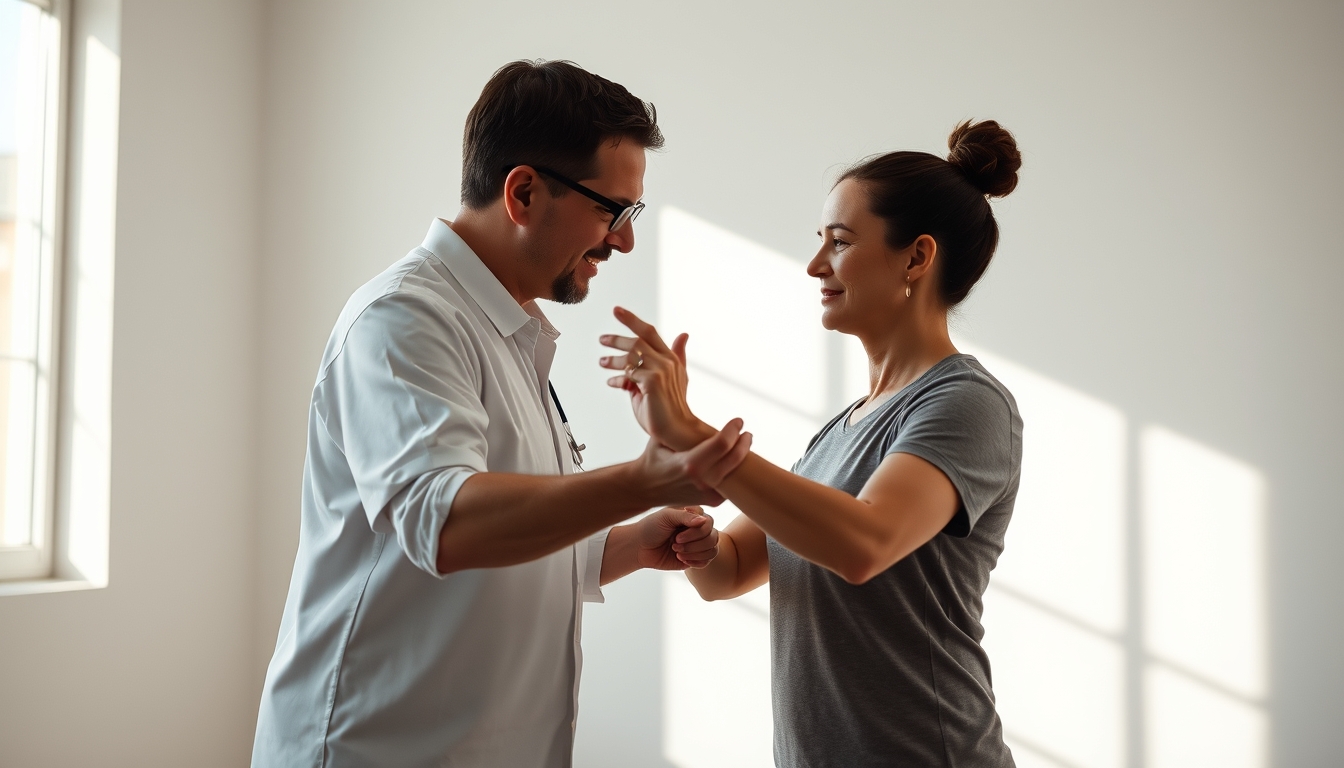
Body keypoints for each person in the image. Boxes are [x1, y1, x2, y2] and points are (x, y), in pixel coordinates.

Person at [251, 60, 752, 768]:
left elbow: (503, 551)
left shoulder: (512, 333)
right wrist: (644, 479)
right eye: (614, 210)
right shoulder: (402, 319)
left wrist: (629, 544)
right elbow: (449, 524)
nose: (625, 239)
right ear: (522, 192)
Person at [598, 120, 1025, 766]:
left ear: (916, 257)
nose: (815, 265)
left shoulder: (967, 404)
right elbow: (732, 571)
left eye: (841, 242)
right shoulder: (840, 432)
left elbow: (862, 543)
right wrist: (697, 540)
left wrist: (690, 433)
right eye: (819, 242)